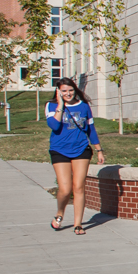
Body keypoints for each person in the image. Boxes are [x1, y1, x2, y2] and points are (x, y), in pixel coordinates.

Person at [46, 78, 104, 235]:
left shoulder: (84, 106)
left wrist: (99, 149)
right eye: (64, 91)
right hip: (59, 150)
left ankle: (78, 224)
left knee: (79, 187)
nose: (68, 93)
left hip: (81, 149)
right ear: (58, 92)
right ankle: (60, 213)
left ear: (75, 90)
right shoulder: (51, 105)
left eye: (70, 90)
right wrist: (60, 104)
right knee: (65, 189)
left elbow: (91, 129)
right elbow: (54, 126)